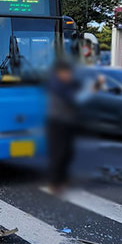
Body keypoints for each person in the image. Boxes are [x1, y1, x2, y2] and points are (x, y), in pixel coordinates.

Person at [46, 61, 80, 192]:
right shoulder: (56, 85)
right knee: (58, 153)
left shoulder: (68, 83)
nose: (69, 75)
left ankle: (63, 179)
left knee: (68, 152)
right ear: (60, 73)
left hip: (68, 122)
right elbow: (72, 99)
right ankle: (55, 182)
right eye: (67, 73)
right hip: (57, 123)